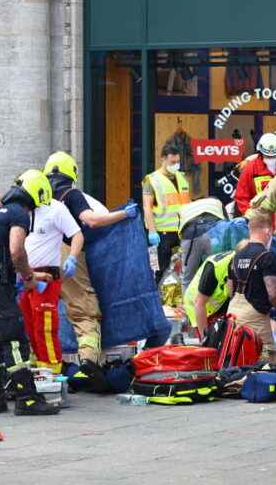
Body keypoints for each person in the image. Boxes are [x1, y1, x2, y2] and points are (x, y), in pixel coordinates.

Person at [0, 170, 59, 416]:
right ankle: (27, 398)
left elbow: (2, 255)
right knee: (16, 338)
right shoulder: (19, 212)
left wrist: (31, 274)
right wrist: (29, 278)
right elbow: (16, 251)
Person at [44, 151, 137, 390]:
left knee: (42, 313)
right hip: (66, 253)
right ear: (71, 173)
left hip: (37, 257)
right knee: (84, 310)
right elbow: (91, 220)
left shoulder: (40, 195)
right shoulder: (71, 194)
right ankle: (88, 363)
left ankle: (44, 368)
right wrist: (123, 214)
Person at [22, 192, 84, 372]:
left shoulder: (56, 209)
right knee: (29, 326)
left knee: (45, 326)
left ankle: (52, 369)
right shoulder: (22, 210)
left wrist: (72, 257)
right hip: (24, 275)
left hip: (47, 276)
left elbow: (77, 235)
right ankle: (37, 368)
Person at [226, 211, 276, 363]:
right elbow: (273, 292)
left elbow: (230, 289)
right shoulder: (267, 256)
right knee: (268, 360)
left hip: (234, 313)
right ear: (267, 230)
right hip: (256, 317)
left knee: (239, 357)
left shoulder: (236, 256)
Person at [142, 141, 191, 282]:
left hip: (181, 233)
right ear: (163, 159)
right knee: (156, 270)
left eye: (178, 161)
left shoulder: (182, 178)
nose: (176, 164)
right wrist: (151, 232)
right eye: (172, 161)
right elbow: (147, 207)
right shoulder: (150, 180)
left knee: (179, 273)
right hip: (160, 235)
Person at [179, 197, 228, 292]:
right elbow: (227, 224)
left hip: (190, 235)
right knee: (219, 269)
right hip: (213, 232)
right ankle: (220, 303)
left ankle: (188, 304)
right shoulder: (216, 202)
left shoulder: (184, 208)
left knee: (188, 277)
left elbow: (181, 233)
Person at [234, 133, 276, 216]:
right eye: (267, 155)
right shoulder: (250, 168)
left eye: (274, 156)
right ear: (260, 151)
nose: (270, 158)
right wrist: (248, 212)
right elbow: (241, 196)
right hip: (260, 218)